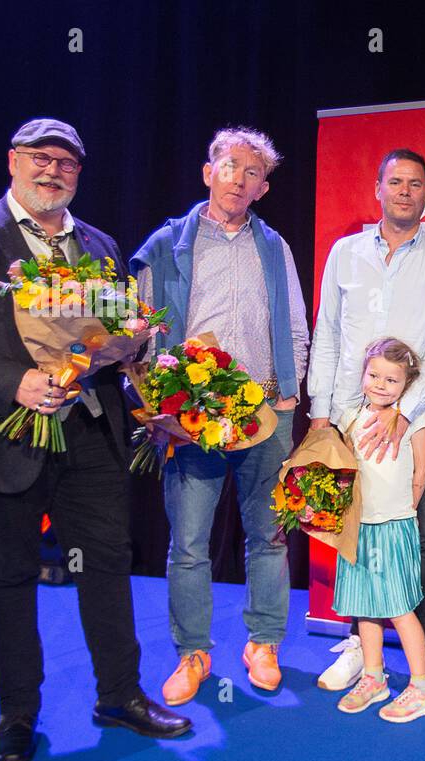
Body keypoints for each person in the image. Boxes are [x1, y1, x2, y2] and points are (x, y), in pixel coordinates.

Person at [0, 118, 190, 761]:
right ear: (13, 161)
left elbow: (107, 345)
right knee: (8, 574)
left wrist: (147, 382)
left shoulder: (100, 244)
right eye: (40, 157)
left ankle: (119, 694)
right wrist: (17, 383)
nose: (52, 170)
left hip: (90, 431)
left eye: (66, 162)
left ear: (78, 174)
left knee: (108, 565)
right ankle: (18, 712)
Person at [132, 127, 308, 705]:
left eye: (253, 172)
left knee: (269, 537)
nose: (240, 178)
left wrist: (288, 398)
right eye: (229, 166)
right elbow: (144, 330)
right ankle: (193, 653)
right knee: (188, 543)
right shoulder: (165, 245)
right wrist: (164, 405)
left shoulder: (274, 247)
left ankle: (264, 643)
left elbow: (296, 328)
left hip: (265, 414)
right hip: (191, 417)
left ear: (263, 188)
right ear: (209, 172)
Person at [309, 148, 425, 697]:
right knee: (353, 534)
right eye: (394, 182)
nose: (404, 191)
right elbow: (326, 333)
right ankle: (365, 650)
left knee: (420, 535)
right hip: (348, 425)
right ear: (377, 188)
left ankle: (418, 656)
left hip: (415, 422)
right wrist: (322, 415)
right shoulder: (344, 253)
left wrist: (400, 410)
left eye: (415, 184)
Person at [332, 339, 425, 722]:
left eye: (391, 380)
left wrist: (405, 510)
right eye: (373, 374)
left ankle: (422, 687)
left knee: (398, 608)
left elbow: (422, 472)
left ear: (407, 384)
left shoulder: (415, 419)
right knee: (366, 606)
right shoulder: (348, 417)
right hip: (358, 528)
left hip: (393, 526)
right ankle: (374, 677)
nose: (380, 384)